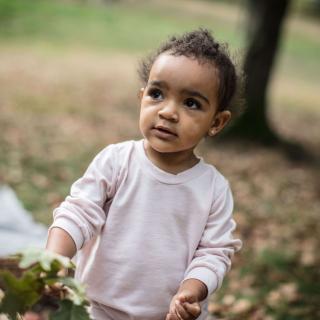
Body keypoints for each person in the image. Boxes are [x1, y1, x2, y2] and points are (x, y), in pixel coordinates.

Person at [44, 29, 242, 320]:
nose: (168, 112)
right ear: (142, 97)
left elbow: (213, 253)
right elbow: (78, 212)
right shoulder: (116, 161)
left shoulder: (213, 189)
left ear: (216, 122)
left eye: (191, 103)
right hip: (98, 309)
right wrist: (54, 259)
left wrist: (192, 291)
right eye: (157, 94)